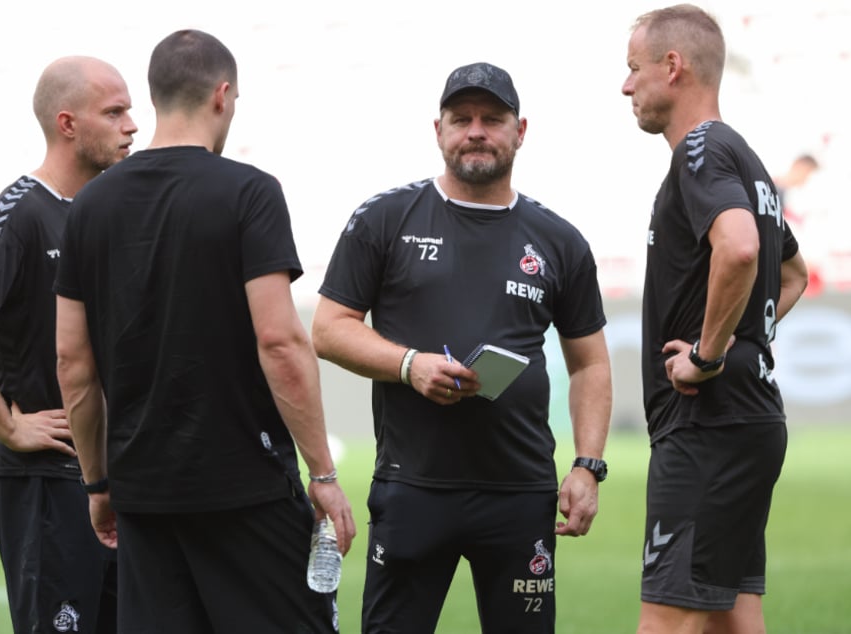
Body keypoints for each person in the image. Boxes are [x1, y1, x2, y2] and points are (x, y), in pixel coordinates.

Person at [53, 29, 355, 633]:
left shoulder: (88, 205)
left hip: (143, 496)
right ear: (222, 95)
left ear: (154, 97)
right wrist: (322, 474)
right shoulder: (250, 192)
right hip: (246, 489)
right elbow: (280, 341)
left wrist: (98, 483)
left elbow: (72, 362)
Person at [312, 61, 613, 633]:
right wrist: (409, 365)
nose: (476, 131)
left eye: (492, 119)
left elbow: (590, 363)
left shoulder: (559, 240)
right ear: (439, 130)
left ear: (520, 131)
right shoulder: (384, 218)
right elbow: (328, 329)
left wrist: (587, 466)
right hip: (412, 486)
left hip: (521, 491)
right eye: (461, 118)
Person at [0, 56, 137, 633]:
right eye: (114, 112)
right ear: (67, 124)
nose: (131, 126)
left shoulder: (106, 213)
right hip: (47, 479)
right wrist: (10, 427)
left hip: (117, 480)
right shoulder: (21, 210)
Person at [621, 5, 809, 633]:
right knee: (733, 616)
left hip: (708, 423)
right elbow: (792, 274)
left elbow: (741, 249)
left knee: (666, 619)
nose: (626, 85)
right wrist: (740, 340)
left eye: (634, 68)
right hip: (748, 418)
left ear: (672, 67)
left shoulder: (700, 148)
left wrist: (708, 353)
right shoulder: (747, 160)